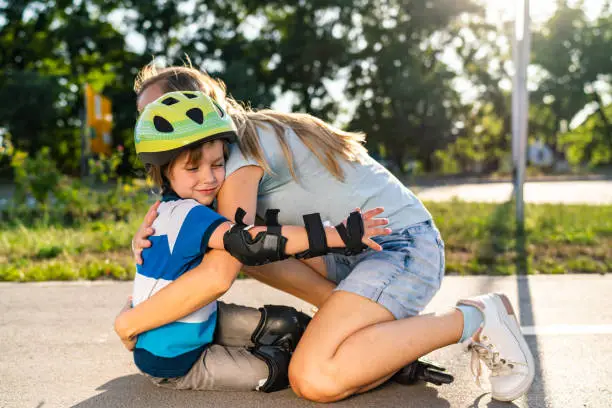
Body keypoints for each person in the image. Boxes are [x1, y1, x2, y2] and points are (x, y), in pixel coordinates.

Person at [119, 64, 535, 403]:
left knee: (314, 376)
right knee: (257, 255)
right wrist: (147, 233)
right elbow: (190, 238)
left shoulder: (235, 155)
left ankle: (476, 317)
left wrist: (131, 324)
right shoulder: (222, 150)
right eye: (147, 119)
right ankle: (355, 326)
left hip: (398, 244)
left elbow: (217, 273)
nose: (156, 126)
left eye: (165, 109)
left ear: (203, 107)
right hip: (355, 252)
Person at [125, 90, 391, 392]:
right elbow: (249, 241)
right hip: (177, 361)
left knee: (289, 324)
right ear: (164, 172)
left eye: (217, 163)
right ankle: (384, 360)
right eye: (192, 168)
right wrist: (337, 236)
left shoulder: (176, 208)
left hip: (200, 322)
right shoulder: (185, 215)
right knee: (284, 366)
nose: (209, 178)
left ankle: (375, 346)